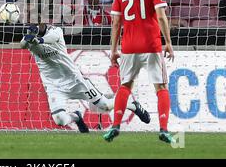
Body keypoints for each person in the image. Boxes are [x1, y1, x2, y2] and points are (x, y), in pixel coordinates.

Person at [20, 23, 151, 132]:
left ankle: (132, 105)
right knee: (59, 119)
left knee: (105, 106)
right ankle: (76, 117)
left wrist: (39, 40)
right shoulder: (31, 41)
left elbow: (51, 38)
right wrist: (29, 38)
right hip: (54, 86)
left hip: (75, 81)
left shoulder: (56, 31)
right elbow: (22, 45)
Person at [103, 0, 175, 144]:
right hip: (151, 45)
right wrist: (168, 43)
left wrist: (113, 50)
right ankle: (164, 129)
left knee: (125, 85)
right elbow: (161, 16)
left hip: (129, 46)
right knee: (161, 87)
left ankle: (115, 125)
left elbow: (116, 23)